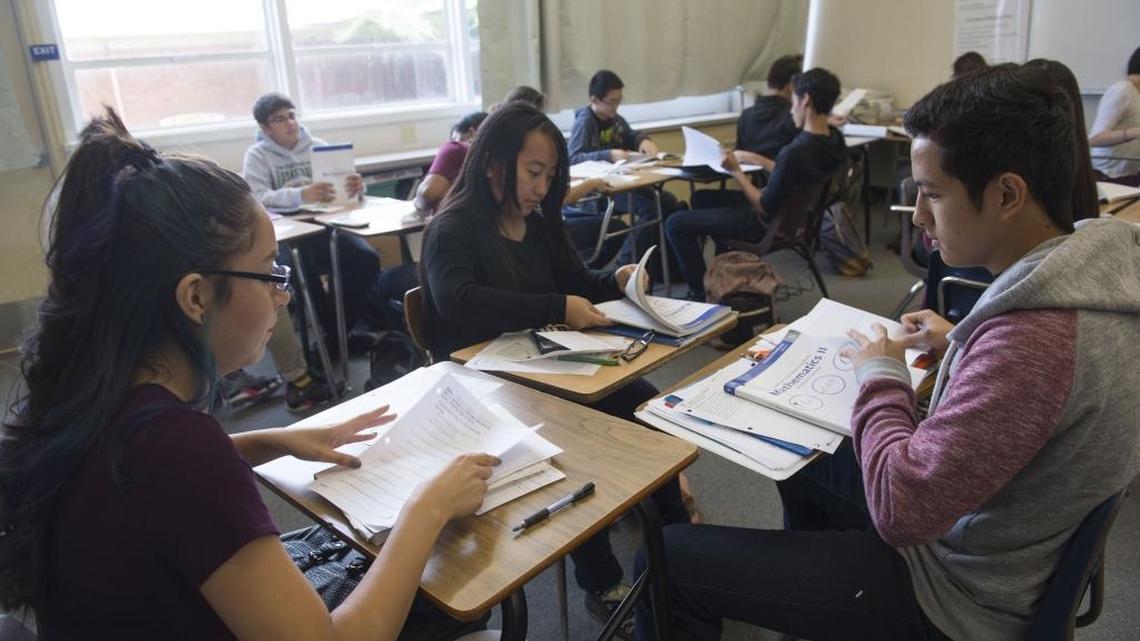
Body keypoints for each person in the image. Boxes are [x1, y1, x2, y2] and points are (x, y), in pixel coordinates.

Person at [637, 63, 1140, 641]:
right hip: (1002, 546)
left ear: (1007, 194)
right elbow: (1039, 390)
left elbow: (903, 510)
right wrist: (959, 340)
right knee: (804, 454)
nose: (920, 217)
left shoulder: (1033, 341)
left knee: (668, 556)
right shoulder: (1095, 277)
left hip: (954, 595)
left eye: (932, 194)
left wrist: (882, 374)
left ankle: (838, 598)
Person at [0, 108, 500, 641]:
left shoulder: (93, 392)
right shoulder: (178, 451)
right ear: (196, 296)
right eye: (268, 274)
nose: (281, 296)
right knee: (448, 596)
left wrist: (273, 438)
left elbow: (138, 485)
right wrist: (428, 507)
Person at [420, 101, 689, 639]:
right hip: (486, 388)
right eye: (532, 172)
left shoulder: (538, 224)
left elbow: (576, 280)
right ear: (494, 163)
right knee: (574, 451)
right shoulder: (453, 228)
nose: (542, 187)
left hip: (550, 369)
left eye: (549, 175)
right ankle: (602, 582)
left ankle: (679, 547)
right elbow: (458, 302)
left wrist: (615, 281)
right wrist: (555, 306)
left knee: (646, 406)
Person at [665, 68, 847, 301]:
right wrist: (758, 160)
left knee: (675, 223)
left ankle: (701, 294)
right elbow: (793, 173)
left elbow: (763, 206)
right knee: (702, 198)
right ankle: (728, 277)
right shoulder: (834, 140)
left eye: (793, 103)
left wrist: (737, 172)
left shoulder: (795, 152)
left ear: (806, 100)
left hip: (766, 225)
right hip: (797, 218)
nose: (791, 110)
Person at [242, 93, 384, 356]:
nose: (290, 123)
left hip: (326, 227)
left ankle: (335, 337)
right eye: (279, 119)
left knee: (365, 258)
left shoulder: (318, 146)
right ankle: (337, 337)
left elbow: (343, 194)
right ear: (265, 128)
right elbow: (256, 198)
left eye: (292, 115)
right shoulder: (258, 156)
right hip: (287, 235)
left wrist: (355, 188)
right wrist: (301, 195)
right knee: (299, 269)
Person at [568, 70, 683, 268]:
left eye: (619, 101)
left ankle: (662, 266)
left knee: (668, 202)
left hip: (623, 182)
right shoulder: (585, 122)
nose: (616, 107)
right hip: (599, 191)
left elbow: (631, 135)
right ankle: (626, 266)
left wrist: (643, 140)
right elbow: (573, 158)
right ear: (594, 99)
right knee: (651, 209)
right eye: (611, 102)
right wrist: (608, 154)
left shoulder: (614, 119)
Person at [412, 111, 488, 213]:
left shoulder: (456, 148)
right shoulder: (500, 158)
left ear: (471, 133)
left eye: (455, 138)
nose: (454, 142)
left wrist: (417, 201)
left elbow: (428, 193)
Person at [1087, 46, 1140, 185]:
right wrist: (1132, 133)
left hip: (1130, 174)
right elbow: (1094, 139)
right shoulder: (1122, 90)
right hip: (1107, 176)